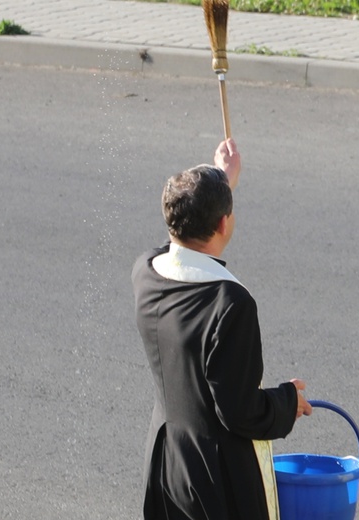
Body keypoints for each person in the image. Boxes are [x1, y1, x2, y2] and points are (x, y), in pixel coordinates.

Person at [131, 138, 313, 520]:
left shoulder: (146, 272)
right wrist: (286, 402)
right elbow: (240, 411)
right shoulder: (229, 304)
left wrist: (221, 181)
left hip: (166, 461)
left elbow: (180, 236)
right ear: (223, 222)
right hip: (215, 483)